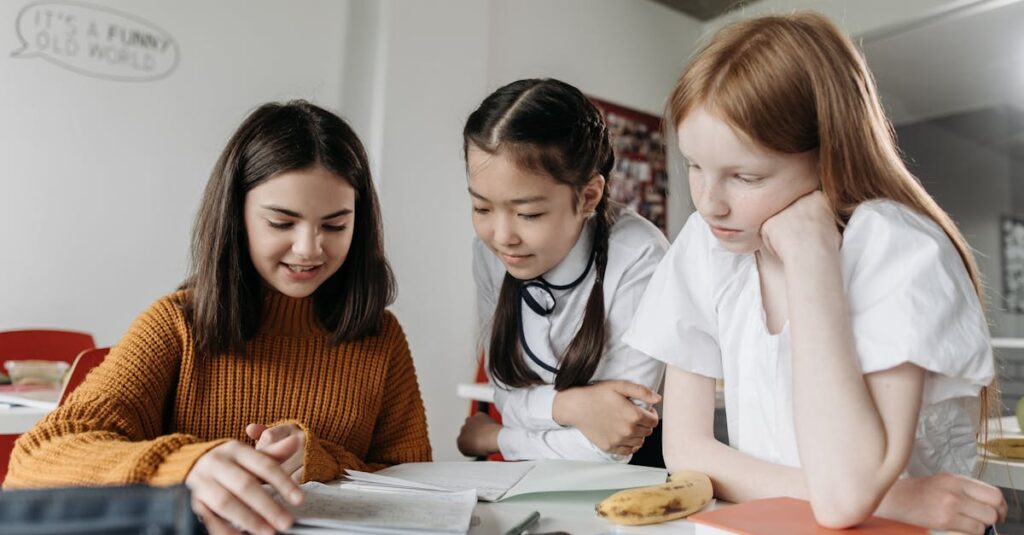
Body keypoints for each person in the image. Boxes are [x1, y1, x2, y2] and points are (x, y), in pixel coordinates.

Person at [623, 12, 1007, 534]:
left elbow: (843, 497)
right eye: (694, 165)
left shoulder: (896, 248)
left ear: (829, 153)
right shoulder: (705, 247)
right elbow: (688, 452)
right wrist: (898, 499)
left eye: (746, 176)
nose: (709, 204)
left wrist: (811, 256)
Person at [4, 101, 432, 535]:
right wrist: (185, 466)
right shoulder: (176, 326)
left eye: (336, 226)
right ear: (237, 216)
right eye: (282, 223)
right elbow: (34, 460)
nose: (309, 248)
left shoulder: (380, 335)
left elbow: (419, 484)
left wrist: (321, 460)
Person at [455, 78, 668, 463]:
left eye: (528, 214)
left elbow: (614, 443)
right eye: (482, 208)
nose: (502, 237)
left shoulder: (640, 256)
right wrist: (573, 408)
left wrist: (495, 439)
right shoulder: (488, 254)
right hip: (531, 476)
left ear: (588, 197)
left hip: (630, 479)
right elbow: (505, 391)